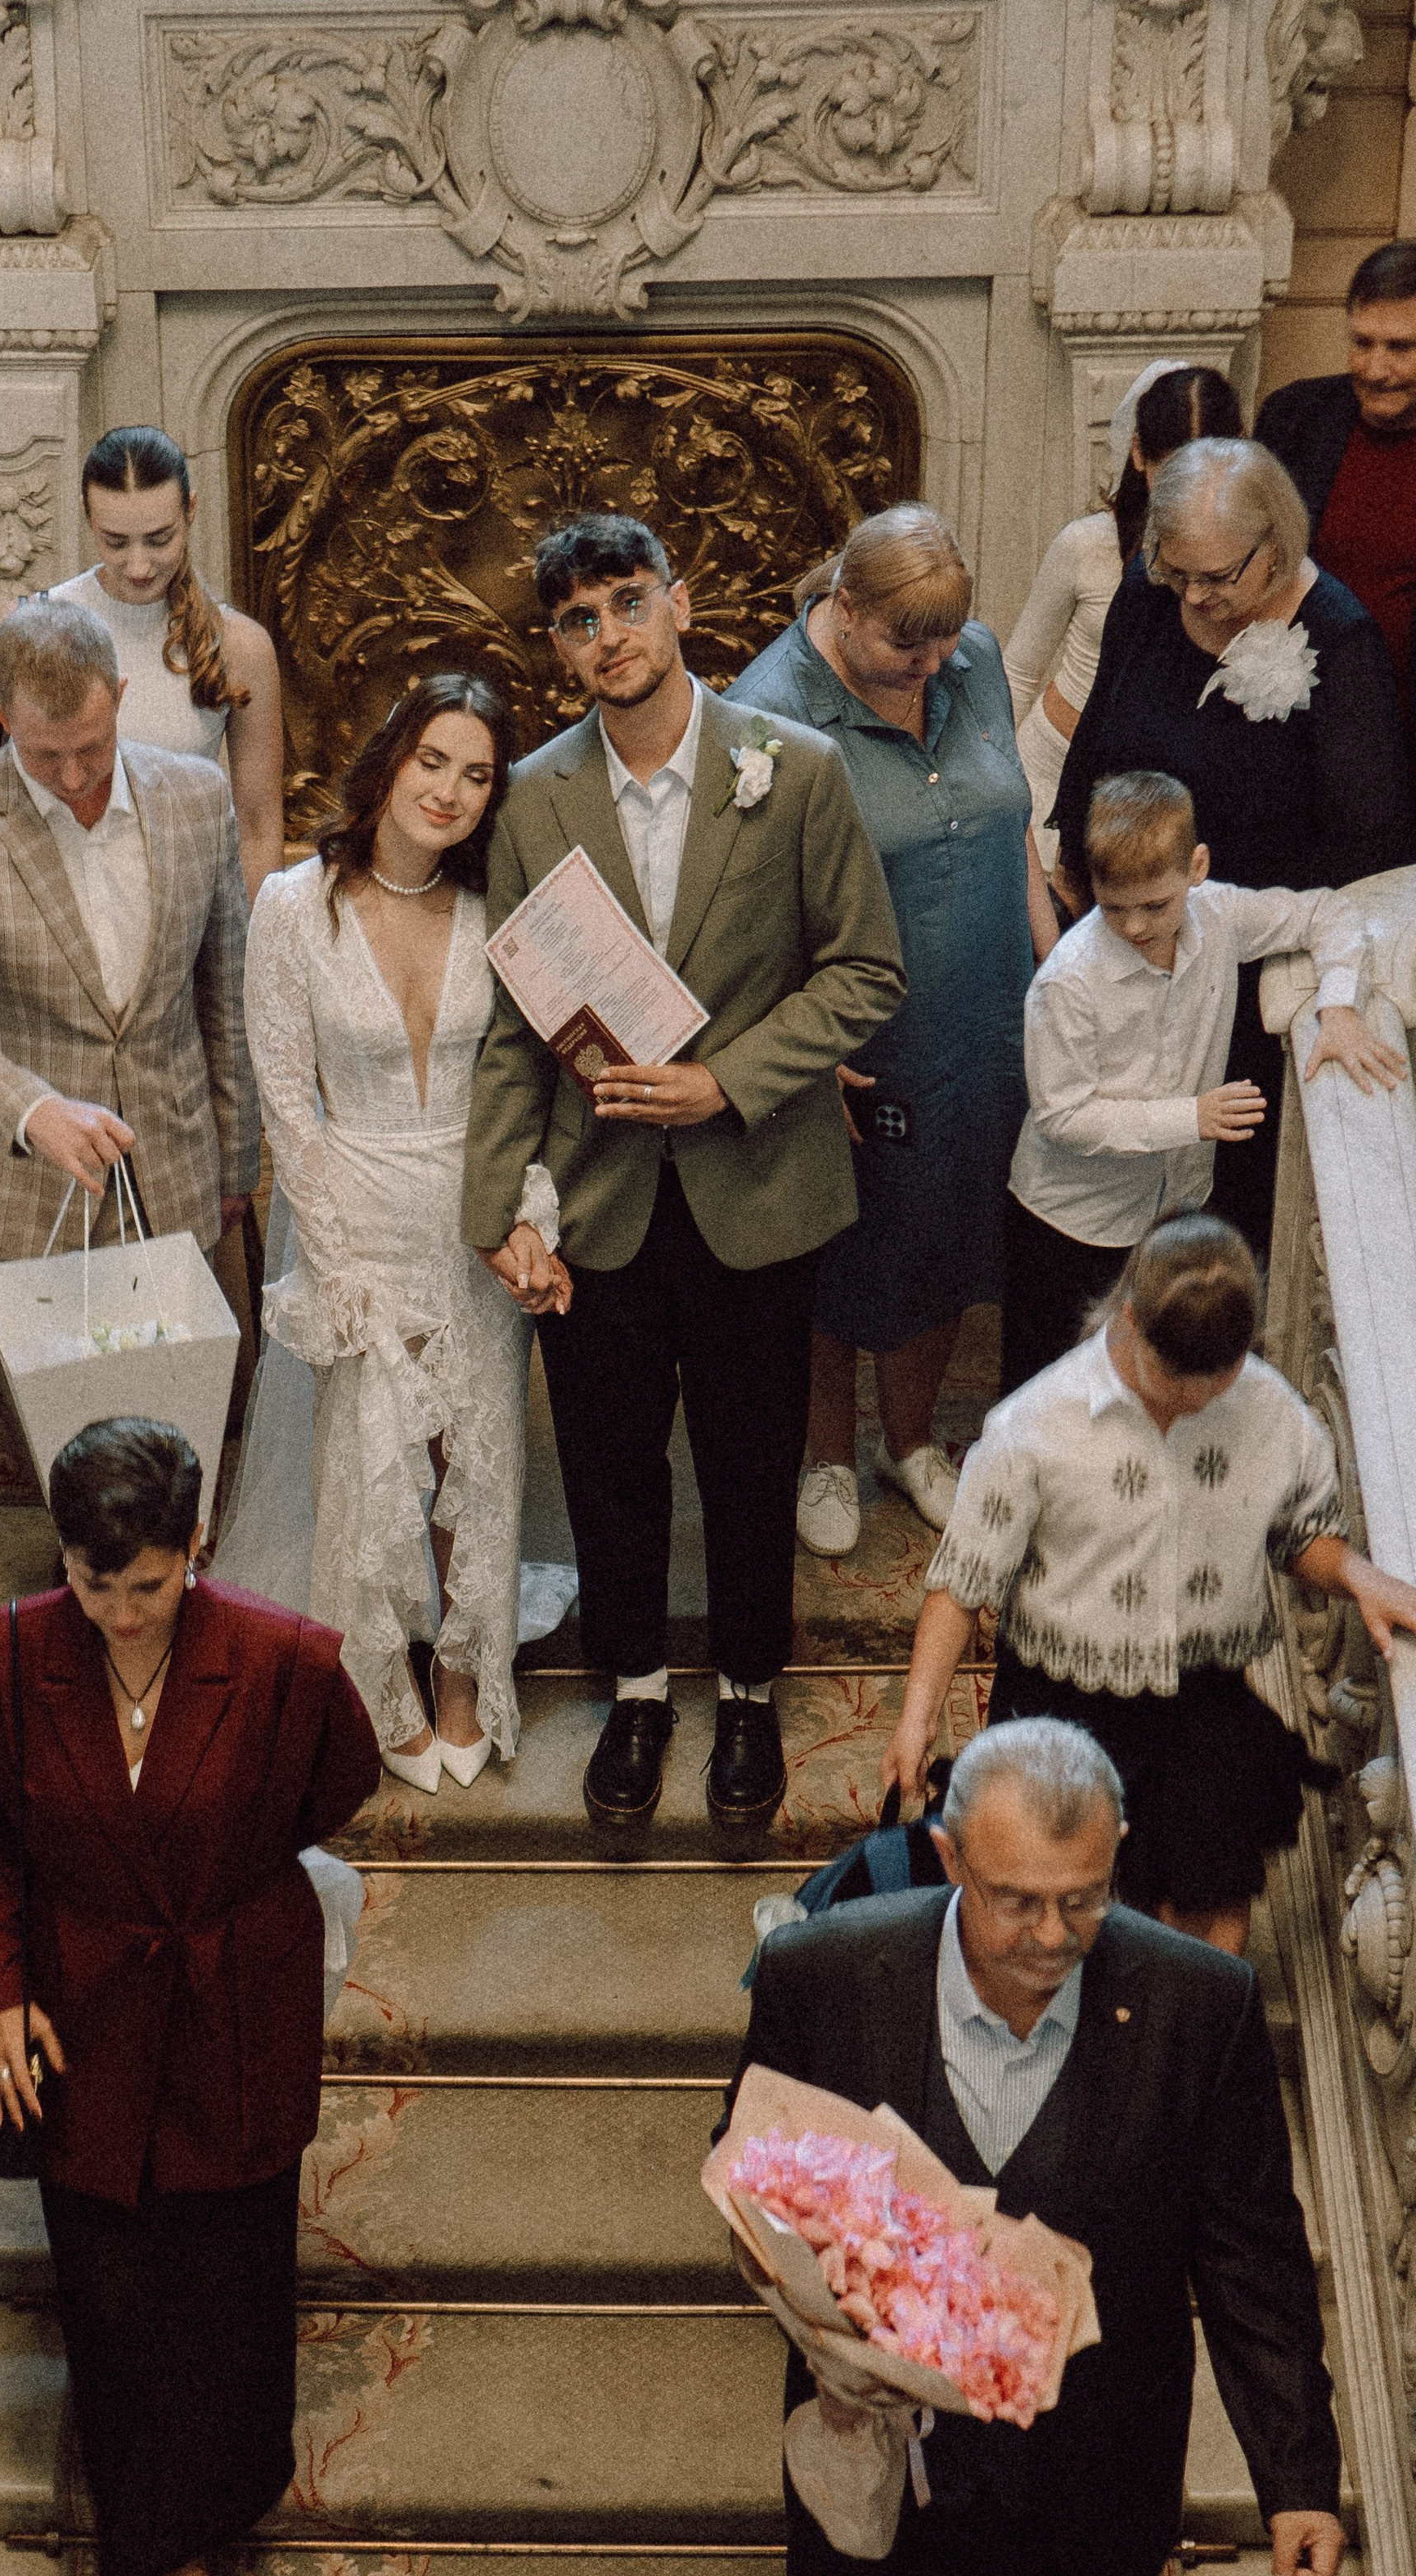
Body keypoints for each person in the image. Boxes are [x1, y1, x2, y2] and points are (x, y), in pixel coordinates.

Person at [740, 1715, 1346, 2576]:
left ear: (1117, 1856)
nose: (1052, 1935)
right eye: (1016, 1899)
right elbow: (755, 2156)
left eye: (1083, 1898)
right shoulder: (823, 1974)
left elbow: (1250, 2249)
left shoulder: (1200, 2004)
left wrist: (1297, 2475)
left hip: (1085, 2463)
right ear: (951, 1854)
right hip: (879, 2440)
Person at [461, 510, 906, 1835]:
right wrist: (494, 1208)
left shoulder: (796, 769)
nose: (609, 635)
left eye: (628, 602)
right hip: (596, 1196)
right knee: (609, 1465)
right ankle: (640, 1690)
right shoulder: (531, 796)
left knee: (751, 1456)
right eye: (579, 621)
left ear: (679, 603)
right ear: (559, 648)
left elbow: (866, 971)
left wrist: (729, 1080)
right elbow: (513, 1028)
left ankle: (753, 1689)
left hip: (758, 1182)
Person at [0, 1418, 380, 2576]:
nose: (122, 1614)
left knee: (229, 2283)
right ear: (63, 1559)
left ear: (198, 1546)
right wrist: (4, 1993)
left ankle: (225, 2496)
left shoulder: (287, 1663)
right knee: (113, 2296)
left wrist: (225, 1878)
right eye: (94, 1584)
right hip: (79, 2010)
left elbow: (338, 1786)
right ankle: (161, 2551)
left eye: (149, 1583)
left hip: (235, 1995)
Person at [883, 1214, 1416, 1953]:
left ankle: (1191, 2029)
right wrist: (915, 1718)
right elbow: (961, 1586)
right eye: (1172, 1381)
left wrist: (1355, 1572)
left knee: (1207, 1906)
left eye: (1217, 1383)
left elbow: (1301, 1538)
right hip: (1059, 1702)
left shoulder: (1274, 1414)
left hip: (1204, 1694)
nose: (1194, 1402)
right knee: (1059, 1917)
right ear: (1129, 1318)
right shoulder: (1033, 1425)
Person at [243, 672, 568, 1791]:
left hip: (471, 1215)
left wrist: (526, 1221)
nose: (449, 791)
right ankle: (382, 1688)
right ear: (389, 758)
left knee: (478, 1457)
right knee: (372, 1471)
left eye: (477, 775)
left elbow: (531, 1083)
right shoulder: (294, 907)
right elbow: (288, 1105)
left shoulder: (496, 908)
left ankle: (467, 1680)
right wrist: (332, 1267)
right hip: (356, 1213)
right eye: (433, 761)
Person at [728, 506, 1051, 1560]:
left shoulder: (973, 658)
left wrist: (1054, 970)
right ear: (844, 606)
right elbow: (744, 909)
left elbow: (1014, 825)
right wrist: (803, 1056)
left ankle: (909, 1441)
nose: (933, 663)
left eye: (946, 639)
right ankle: (824, 1455)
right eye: (907, 644)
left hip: (988, 1015)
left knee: (949, 1230)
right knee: (839, 1247)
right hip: (853, 1040)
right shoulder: (768, 712)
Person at [1052, 434, 1415, 1251]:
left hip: (1242, 980)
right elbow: (1094, 744)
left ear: (1275, 544)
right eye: (1177, 570)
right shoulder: (1149, 595)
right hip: (1123, 941)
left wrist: (1310, 974)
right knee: (1101, 1183)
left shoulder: (1339, 641)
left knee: (1209, 1220)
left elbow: (1368, 847)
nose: (1194, 594)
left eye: (1217, 577)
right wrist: (1077, 885)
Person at [0, 592, 258, 1287]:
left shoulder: (199, 798)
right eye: (44, 754)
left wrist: (238, 1161)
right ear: (2, 717)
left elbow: (226, 995)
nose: (71, 776)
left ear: (119, 698)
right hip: (16, 1205)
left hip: (176, 1181)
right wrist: (32, 1110)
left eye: (91, 747)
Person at [1001, 767, 1400, 1390]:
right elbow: (1061, 1116)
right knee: (1048, 1390)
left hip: (1172, 1210)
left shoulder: (1219, 914)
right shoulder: (1068, 983)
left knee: (1149, 1381)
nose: (1135, 928)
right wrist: (1192, 1117)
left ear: (1197, 867)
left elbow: (1327, 912)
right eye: (1114, 908)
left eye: (1155, 906)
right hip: (1072, 1222)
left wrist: (1339, 1006)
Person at [0, 424, 287, 903]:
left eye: (159, 539)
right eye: (116, 542)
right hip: (45, 905)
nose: (139, 565)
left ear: (190, 510)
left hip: (181, 910)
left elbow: (257, 827)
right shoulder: (22, 624)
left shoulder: (241, 647)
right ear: (87, 518)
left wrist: (252, 941)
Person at [1004, 362, 1242, 877]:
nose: (1188, 501)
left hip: (1158, 794)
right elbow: (1019, 672)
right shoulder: (1084, 544)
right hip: (1047, 773)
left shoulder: (1247, 564)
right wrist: (996, 781)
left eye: (1207, 479)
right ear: (1138, 454)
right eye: (1172, 477)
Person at [1257, 241, 1416, 757]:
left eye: (1400, 348)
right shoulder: (1294, 419)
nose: (1374, 369)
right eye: (1362, 343)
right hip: (1292, 732)